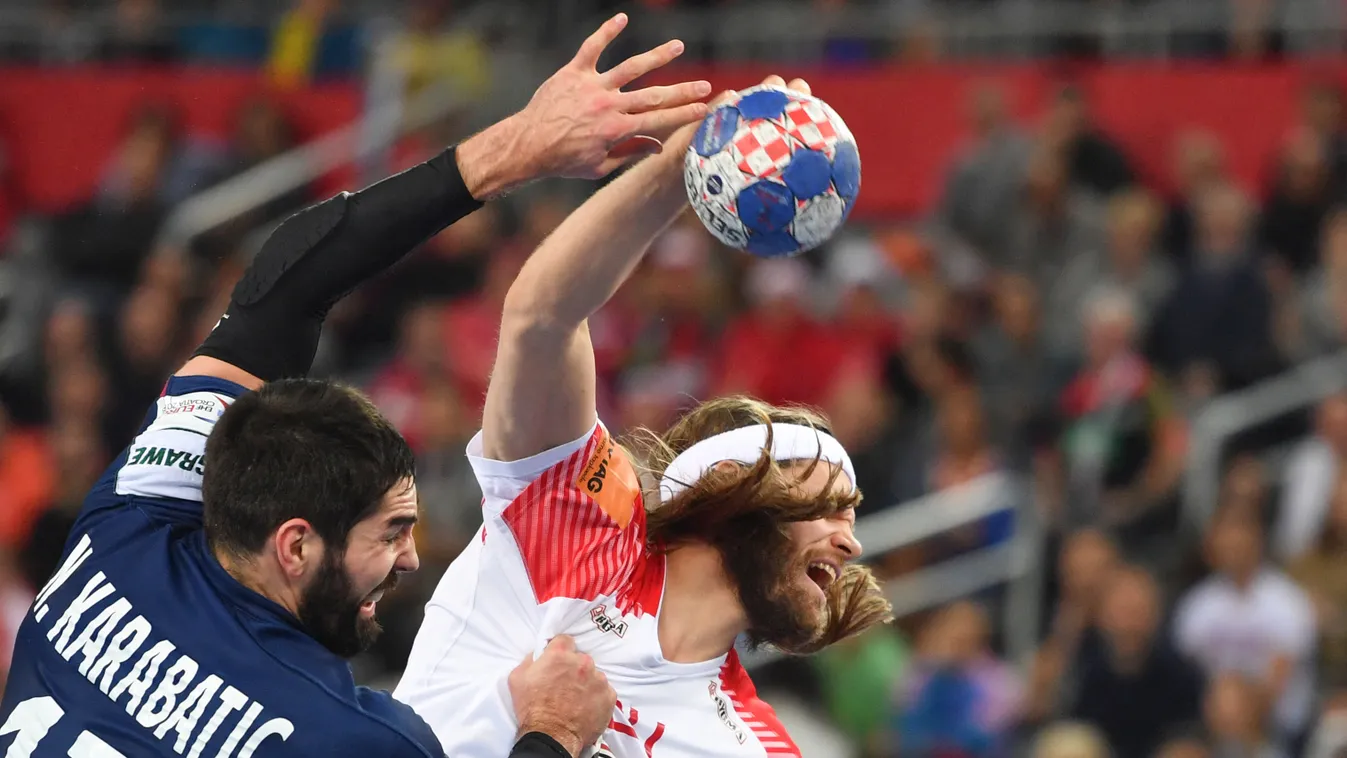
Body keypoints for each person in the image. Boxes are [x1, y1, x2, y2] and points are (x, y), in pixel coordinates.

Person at [0, 14, 710, 758]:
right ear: (296, 546)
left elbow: (278, 292)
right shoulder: (351, 738)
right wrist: (553, 731)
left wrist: (513, 150)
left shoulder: (127, 528)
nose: (409, 559)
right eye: (390, 532)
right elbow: (283, 279)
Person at [393, 76, 893, 758]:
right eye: (830, 505)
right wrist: (674, 171)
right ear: (728, 485)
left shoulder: (762, 749)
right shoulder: (581, 525)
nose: (850, 541)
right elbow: (543, 317)